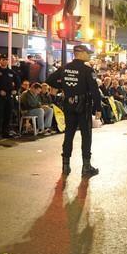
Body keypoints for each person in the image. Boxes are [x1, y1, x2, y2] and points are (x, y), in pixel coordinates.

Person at [46, 45, 101, 176]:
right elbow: (94, 90)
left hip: (68, 105)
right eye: (87, 53)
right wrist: (98, 108)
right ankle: (86, 167)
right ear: (79, 53)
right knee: (86, 136)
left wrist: (64, 86)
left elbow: (49, 80)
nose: (89, 55)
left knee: (69, 135)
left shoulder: (64, 68)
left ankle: (65, 166)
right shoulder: (87, 70)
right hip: (83, 105)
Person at [0, 54, 20, 139]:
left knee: (8, 115)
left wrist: (15, 89)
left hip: (9, 96)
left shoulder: (11, 72)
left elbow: (18, 82)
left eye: (6, 60)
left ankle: (6, 132)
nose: (4, 61)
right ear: (0, 61)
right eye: (3, 59)